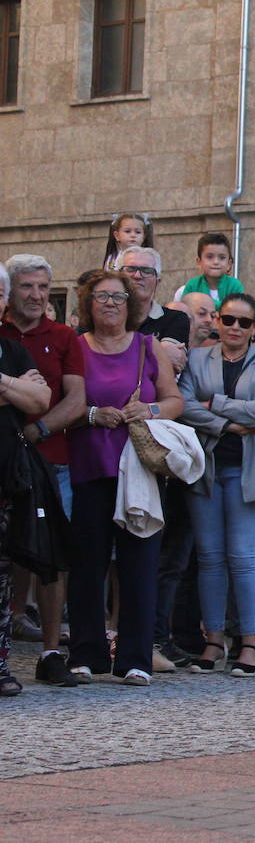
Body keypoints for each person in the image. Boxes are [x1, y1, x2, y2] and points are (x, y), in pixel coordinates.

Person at [67, 271, 184, 686]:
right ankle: (85, 654)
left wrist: (147, 411)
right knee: (87, 565)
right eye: (102, 296)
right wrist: (94, 415)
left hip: (138, 469)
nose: (111, 303)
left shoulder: (148, 346)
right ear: (88, 302)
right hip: (89, 466)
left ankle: (135, 657)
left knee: (139, 565)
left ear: (130, 304)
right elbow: (61, 402)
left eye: (118, 297)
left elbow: (175, 401)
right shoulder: (75, 347)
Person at [178, 293, 255, 677]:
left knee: (242, 557)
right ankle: (214, 639)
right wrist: (227, 423)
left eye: (243, 322)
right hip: (205, 465)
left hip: (247, 468)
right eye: (228, 319)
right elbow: (184, 404)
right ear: (218, 322)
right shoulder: (196, 358)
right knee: (208, 558)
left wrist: (214, 404)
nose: (235, 327)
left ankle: (250, 642)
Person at [1, 255, 85, 688]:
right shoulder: (3, 336)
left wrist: (35, 428)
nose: (35, 296)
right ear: (9, 293)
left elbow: (71, 400)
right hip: (4, 460)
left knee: (52, 555)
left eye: (42, 288)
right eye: (26, 287)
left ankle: (51, 652)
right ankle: (9, 636)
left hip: (51, 458)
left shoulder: (63, 336)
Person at [0, 265, 56, 696]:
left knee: (1, 574)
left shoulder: (13, 352)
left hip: (6, 480)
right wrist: (13, 388)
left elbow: (39, 399)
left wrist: (5, 380)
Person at [113, 248, 190, 373]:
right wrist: (158, 351)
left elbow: (169, 366)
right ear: (117, 277)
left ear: (157, 281)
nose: (137, 276)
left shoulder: (175, 319)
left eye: (147, 271)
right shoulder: (103, 317)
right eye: (130, 269)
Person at [172, 232, 244, 307]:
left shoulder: (235, 285)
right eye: (209, 257)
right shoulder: (192, 285)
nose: (216, 262)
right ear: (199, 262)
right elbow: (186, 310)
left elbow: (235, 310)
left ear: (229, 264)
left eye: (222, 258)